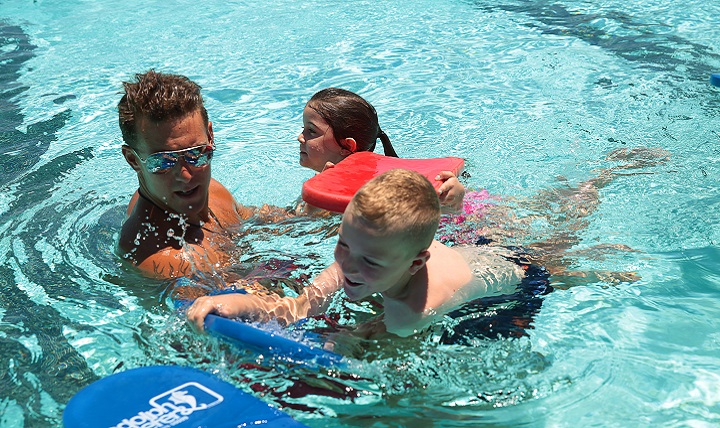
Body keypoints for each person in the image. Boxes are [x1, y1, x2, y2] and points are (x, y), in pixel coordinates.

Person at [188, 169, 525, 338]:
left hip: (519, 270)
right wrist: (233, 303)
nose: (346, 264)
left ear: (415, 263)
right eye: (343, 244)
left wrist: (348, 342)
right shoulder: (369, 253)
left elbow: (374, 354)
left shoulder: (411, 315)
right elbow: (300, 306)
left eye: (368, 261)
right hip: (463, 248)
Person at [117, 70, 258, 279]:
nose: (185, 175)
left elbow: (257, 221)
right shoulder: (161, 258)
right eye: (163, 161)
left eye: (196, 153)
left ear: (210, 137)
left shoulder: (213, 190)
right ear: (133, 160)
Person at [296, 88, 465, 215]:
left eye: (311, 131)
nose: (300, 137)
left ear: (347, 146)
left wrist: (454, 200)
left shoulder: (382, 189)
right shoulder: (317, 184)